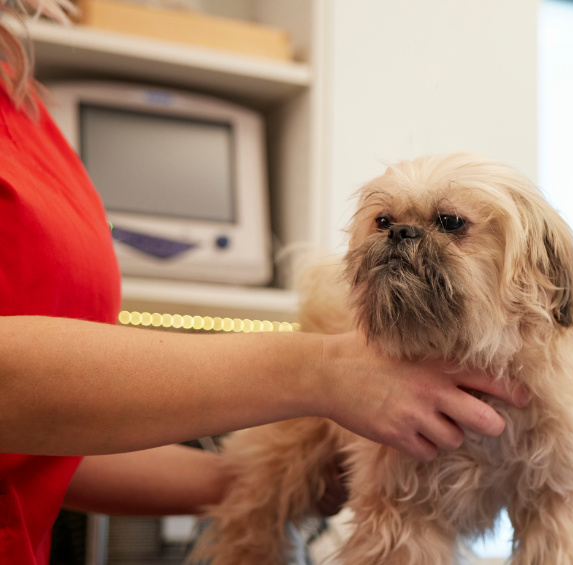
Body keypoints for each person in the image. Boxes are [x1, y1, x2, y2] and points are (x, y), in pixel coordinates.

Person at [0, 3, 526, 564]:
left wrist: (268, 485)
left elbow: (44, 447)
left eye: (450, 225)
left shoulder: (27, 110)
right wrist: (320, 371)